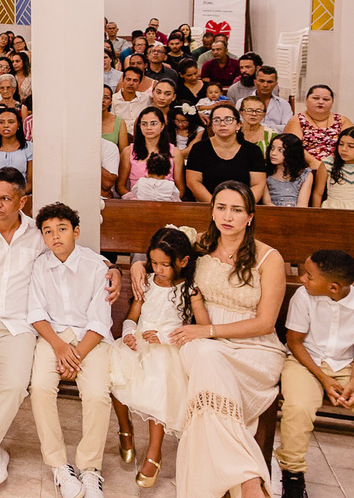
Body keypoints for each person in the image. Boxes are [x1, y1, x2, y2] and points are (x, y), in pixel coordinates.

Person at [0, 168, 120, 497]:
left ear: (22, 200)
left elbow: (73, 252)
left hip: (16, 325)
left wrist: (111, 267)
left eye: (5, 198)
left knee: (16, 384)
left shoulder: (38, 234)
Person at [168, 182, 286, 498]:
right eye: (221, 207)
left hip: (254, 350)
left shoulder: (268, 258)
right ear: (212, 210)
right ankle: (249, 482)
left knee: (204, 368)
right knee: (204, 357)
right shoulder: (200, 246)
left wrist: (207, 332)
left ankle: (234, 484)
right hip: (205, 344)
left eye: (236, 210)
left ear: (250, 216)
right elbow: (160, 256)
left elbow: (265, 323)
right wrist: (137, 267)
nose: (227, 216)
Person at [28, 203, 113, 498]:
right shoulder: (40, 266)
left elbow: (100, 321)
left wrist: (74, 356)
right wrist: (60, 347)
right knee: (39, 387)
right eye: (48, 232)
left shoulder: (96, 266)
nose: (55, 237)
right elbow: (36, 313)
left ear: (76, 232)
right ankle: (58, 465)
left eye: (62, 229)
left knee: (97, 394)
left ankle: (90, 468)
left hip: (91, 338)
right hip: (53, 337)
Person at [110, 227, 204, 488]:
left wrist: (165, 337)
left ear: (183, 262)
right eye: (154, 263)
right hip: (141, 342)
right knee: (114, 368)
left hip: (168, 349)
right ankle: (125, 429)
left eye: (165, 264)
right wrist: (129, 332)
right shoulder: (148, 283)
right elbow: (133, 315)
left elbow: (202, 327)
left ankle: (154, 452)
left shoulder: (190, 290)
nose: (158, 269)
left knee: (158, 385)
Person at [274, 250, 354, 498]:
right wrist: (323, 378)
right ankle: (292, 473)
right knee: (299, 407)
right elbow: (295, 341)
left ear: (333, 287)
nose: (302, 279)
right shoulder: (304, 296)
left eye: (309, 276)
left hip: (347, 366)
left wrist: (353, 380)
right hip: (305, 362)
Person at [185, 104, 266, 201]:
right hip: (209, 204)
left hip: (243, 205)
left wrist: (242, 205)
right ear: (212, 127)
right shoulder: (199, 148)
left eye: (228, 119)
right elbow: (193, 182)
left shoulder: (253, 150)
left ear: (238, 125)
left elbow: (258, 184)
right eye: (217, 120)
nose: (222, 124)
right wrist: (216, 205)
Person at [118, 107, 183, 196]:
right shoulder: (128, 151)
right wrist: (134, 199)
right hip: (136, 202)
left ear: (162, 126)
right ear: (139, 126)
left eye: (153, 124)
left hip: (166, 202)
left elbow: (181, 189)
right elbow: (120, 186)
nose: (148, 128)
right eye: (144, 124)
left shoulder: (175, 153)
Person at [285, 84, 354, 162]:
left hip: (338, 166)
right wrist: (314, 163)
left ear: (332, 103)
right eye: (315, 98)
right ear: (306, 100)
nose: (321, 102)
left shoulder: (342, 120)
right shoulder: (296, 120)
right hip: (307, 167)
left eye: (326, 99)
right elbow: (293, 147)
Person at [0, 107, 32, 194]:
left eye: (11, 122)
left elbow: (30, 183)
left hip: (21, 195)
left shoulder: (29, 147)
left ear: (18, 124)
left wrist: (13, 196)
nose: (6, 125)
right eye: (1, 122)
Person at [312, 127, 354, 209]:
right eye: (341, 144)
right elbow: (318, 194)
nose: (343, 149)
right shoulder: (328, 163)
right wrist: (316, 216)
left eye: (351, 146)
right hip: (333, 210)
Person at [263, 133, 313, 207]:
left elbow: (302, 204)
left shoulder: (306, 174)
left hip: (297, 214)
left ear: (292, 152)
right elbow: (267, 202)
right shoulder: (264, 173)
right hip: (272, 213)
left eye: (280, 150)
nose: (273, 153)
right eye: (272, 148)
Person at [250, 65, 292, 132]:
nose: (265, 85)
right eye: (261, 81)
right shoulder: (242, 102)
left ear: (275, 84)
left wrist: (261, 127)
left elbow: (288, 128)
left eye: (269, 82)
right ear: (255, 82)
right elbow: (241, 126)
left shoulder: (284, 105)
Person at [100, 85, 128, 151]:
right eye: (99, 96)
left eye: (107, 98)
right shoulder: (85, 120)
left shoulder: (119, 122)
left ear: (111, 102)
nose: (103, 100)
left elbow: (123, 152)